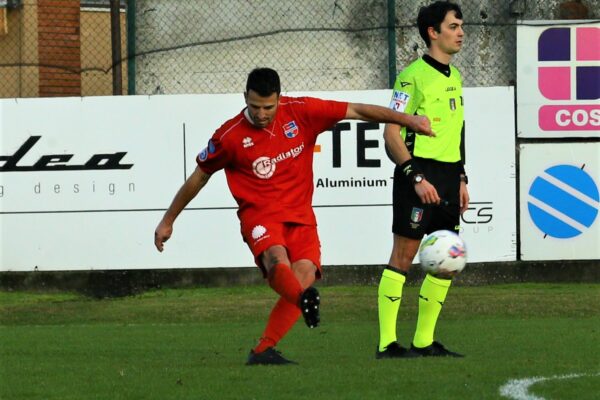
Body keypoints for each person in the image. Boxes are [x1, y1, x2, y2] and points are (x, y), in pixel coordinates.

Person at [154, 67, 434, 366]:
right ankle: (302, 301)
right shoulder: (229, 136)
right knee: (276, 261)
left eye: (268, 107)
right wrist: (168, 220)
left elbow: (356, 110)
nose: (261, 114)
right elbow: (199, 177)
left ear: (279, 97)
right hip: (260, 216)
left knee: (304, 275)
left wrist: (409, 120)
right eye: (254, 107)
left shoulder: (301, 111)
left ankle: (263, 350)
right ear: (244, 98)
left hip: (301, 216)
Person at [375, 1, 469, 359]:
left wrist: (461, 177)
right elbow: (391, 136)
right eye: (454, 26)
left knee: (447, 260)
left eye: (461, 26)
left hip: (448, 176)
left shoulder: (456, 76)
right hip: (418, 173)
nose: (461, 33)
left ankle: (425, 341)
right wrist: (415, 177)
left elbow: (457, 133)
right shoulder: (411, 76)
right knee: (404, 255)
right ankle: (387, 344)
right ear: (433, 32)